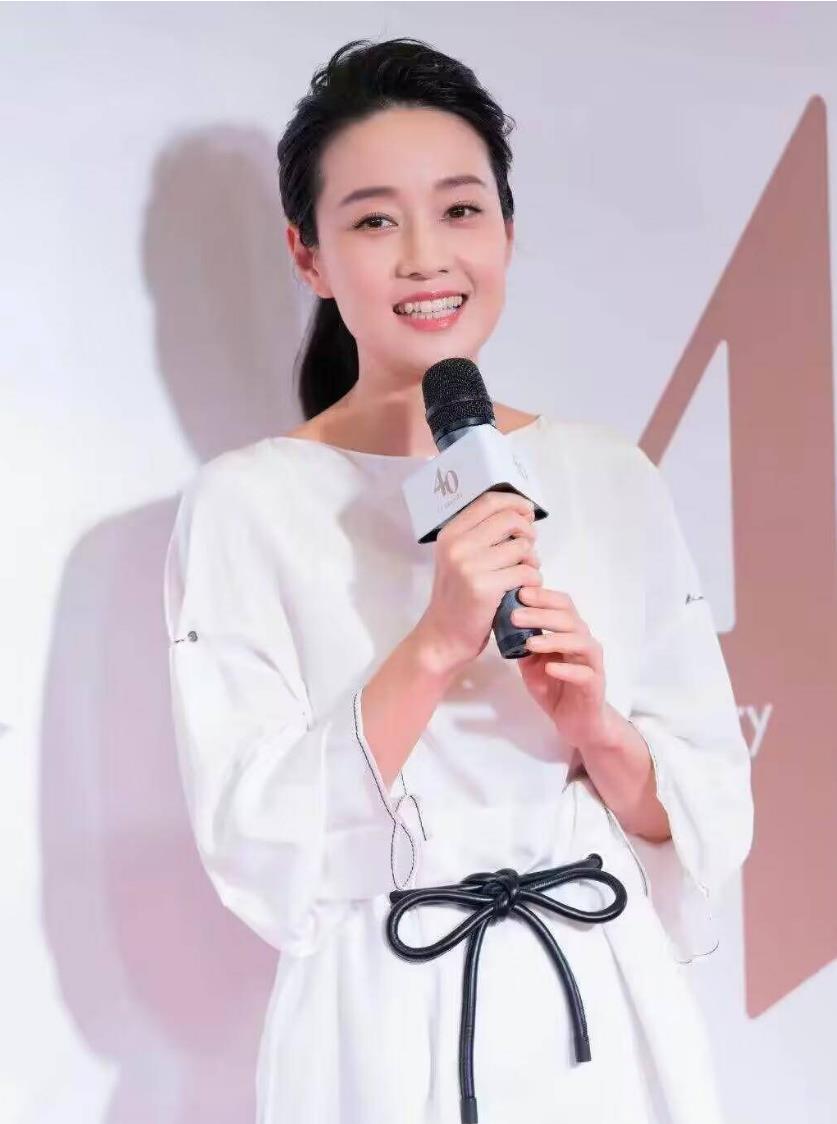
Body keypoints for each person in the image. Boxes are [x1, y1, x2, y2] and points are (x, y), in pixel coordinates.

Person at [163, 37, 754, 1124]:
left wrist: (597, 727)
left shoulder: (608, 475)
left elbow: (703, 810)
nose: (426, 256)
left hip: (601, 1013)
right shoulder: (247, 504)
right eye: (374, 221)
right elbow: (255, 838)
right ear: (307, 254)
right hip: (377, 1021)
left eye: (461, 210)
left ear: (508, 232)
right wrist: (436, 644)